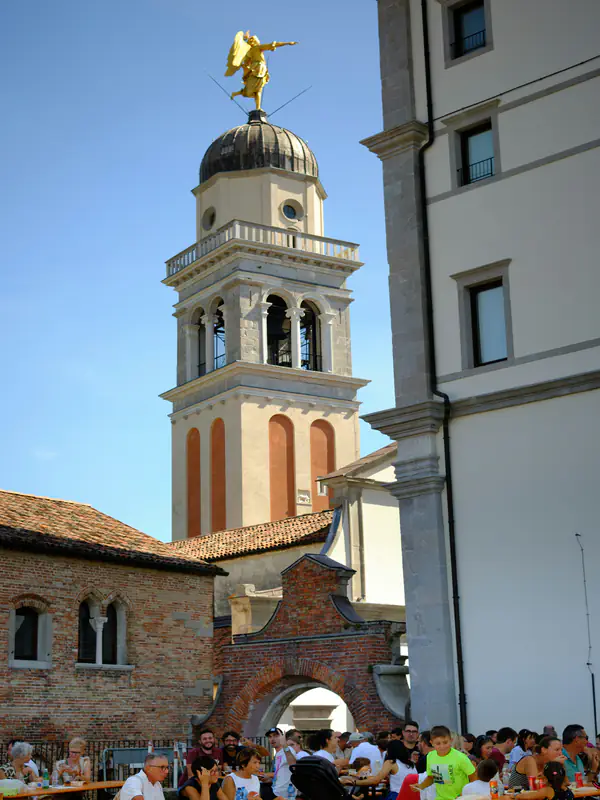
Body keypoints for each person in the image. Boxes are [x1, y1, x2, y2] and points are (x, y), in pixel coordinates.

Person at [411, 725, 476, 800]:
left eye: (445, 742)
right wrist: (421, 786)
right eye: (438, 743)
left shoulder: (460, 757)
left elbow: (473, 777)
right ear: (431, 743)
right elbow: (432, 777)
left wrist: (464, 794)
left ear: (451, 740)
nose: (442, 746)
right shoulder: (430, 756)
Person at [348, 739, 418, 800]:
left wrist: (354, 782)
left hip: (397, 795)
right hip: (413, 795)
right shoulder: (411, 764)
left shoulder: (391, 762)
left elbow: (375, 781)